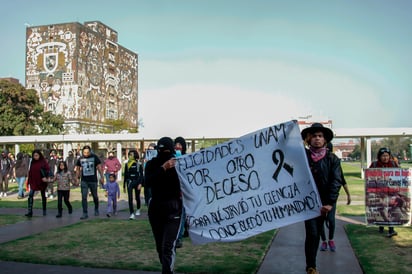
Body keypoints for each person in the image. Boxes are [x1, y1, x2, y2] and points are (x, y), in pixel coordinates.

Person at [301, 123, 343, 274]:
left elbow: (336, 181)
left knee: (319, 232)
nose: (317, 139)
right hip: (309, 203)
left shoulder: (333, 159)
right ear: (308, 139)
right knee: (311, 233)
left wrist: (330, 203)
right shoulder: (302, 156)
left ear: (325, 139)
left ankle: (313, 262)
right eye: (314, 136)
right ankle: (311, 266)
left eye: (320, 136)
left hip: (326, 204)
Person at [145, 137, 183, 274]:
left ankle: (167, 271)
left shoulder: (179, 164)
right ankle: (167, 269)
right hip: (156, 208)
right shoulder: (152, 164)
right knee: (160, 247)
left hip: (173, 209)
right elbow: (147, 182)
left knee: (168, 246)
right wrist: (163, 168)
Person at [319, 143, 351, 252]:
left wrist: (348, 195)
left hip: (331, 197)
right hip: (320, 197)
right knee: (321, 220)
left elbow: (342, 180)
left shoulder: (334, 163)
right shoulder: (317, 162)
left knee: (331, 220)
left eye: (328, 149)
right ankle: (323, 241)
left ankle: (331, 239)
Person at [369, 147, 400, 237]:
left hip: (391, 192)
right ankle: (381, 226)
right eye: (383, 156)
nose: (385, 158)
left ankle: (391, 229)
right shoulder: (375, 164)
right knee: (381, 208)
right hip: (379, 192)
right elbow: (369, 177)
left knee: (390, 209)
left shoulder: (393, 164)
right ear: (379, 156)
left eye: (387, 156)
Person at [76, 145, 105, 220]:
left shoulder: (94, 157)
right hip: (84, 180)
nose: (86, 154)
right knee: (84, 197)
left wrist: (102, 177)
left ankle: (96, 209)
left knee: (95, 196)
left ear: (90, 151)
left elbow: (99, 167)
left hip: (93, 180)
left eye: (87, 152)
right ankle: (85, 213)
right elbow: (78, 169)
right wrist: (77, 178)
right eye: (84, 152)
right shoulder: (80, 158)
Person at [25, 149, 50, 217]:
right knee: (30, 195)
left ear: (39, 155)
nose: (35, 157)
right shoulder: (32, 162)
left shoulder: (43, 162)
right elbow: (30, 171)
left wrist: (45, 177)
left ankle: (44, 210)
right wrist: (29, 180)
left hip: (41, 181)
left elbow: (48, 170)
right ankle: (30, 211)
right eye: (34, 156)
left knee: (43, 196)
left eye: (36, 155)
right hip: (33, 181)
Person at [174, 136, 188, 248]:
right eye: (176, 144)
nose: (178, 146)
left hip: (184, 191)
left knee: (183, 214)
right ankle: (177, 236)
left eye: (180, 145)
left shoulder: (187, 158)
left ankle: (179, 236)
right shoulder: (171, 159)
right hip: (174, 191)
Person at [123, 150, 143, 220]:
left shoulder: (139, 164)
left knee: (137, 197)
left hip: (137, 182)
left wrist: (140, 183)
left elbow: (141, 175)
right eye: (129, 155)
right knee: (130, 198)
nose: (130, 156)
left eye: (132, 155)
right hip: (130, 182)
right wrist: (124, 186)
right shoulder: (127, 164)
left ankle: (138, 208)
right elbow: (125, 175)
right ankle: (131, 213)